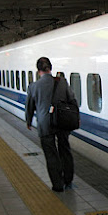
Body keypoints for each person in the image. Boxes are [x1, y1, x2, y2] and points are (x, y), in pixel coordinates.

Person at [25, 57, 77, 192]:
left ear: (38, 71)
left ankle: (58, 185)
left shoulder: (34, 86)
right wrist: (75, 118)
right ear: (50, 68)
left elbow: (29, 106)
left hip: (45, 124)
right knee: (65, 149)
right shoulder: (62, 82)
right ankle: (68, 179)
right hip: (62, 121)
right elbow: (72, 100)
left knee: (51, 154)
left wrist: (29, 121)